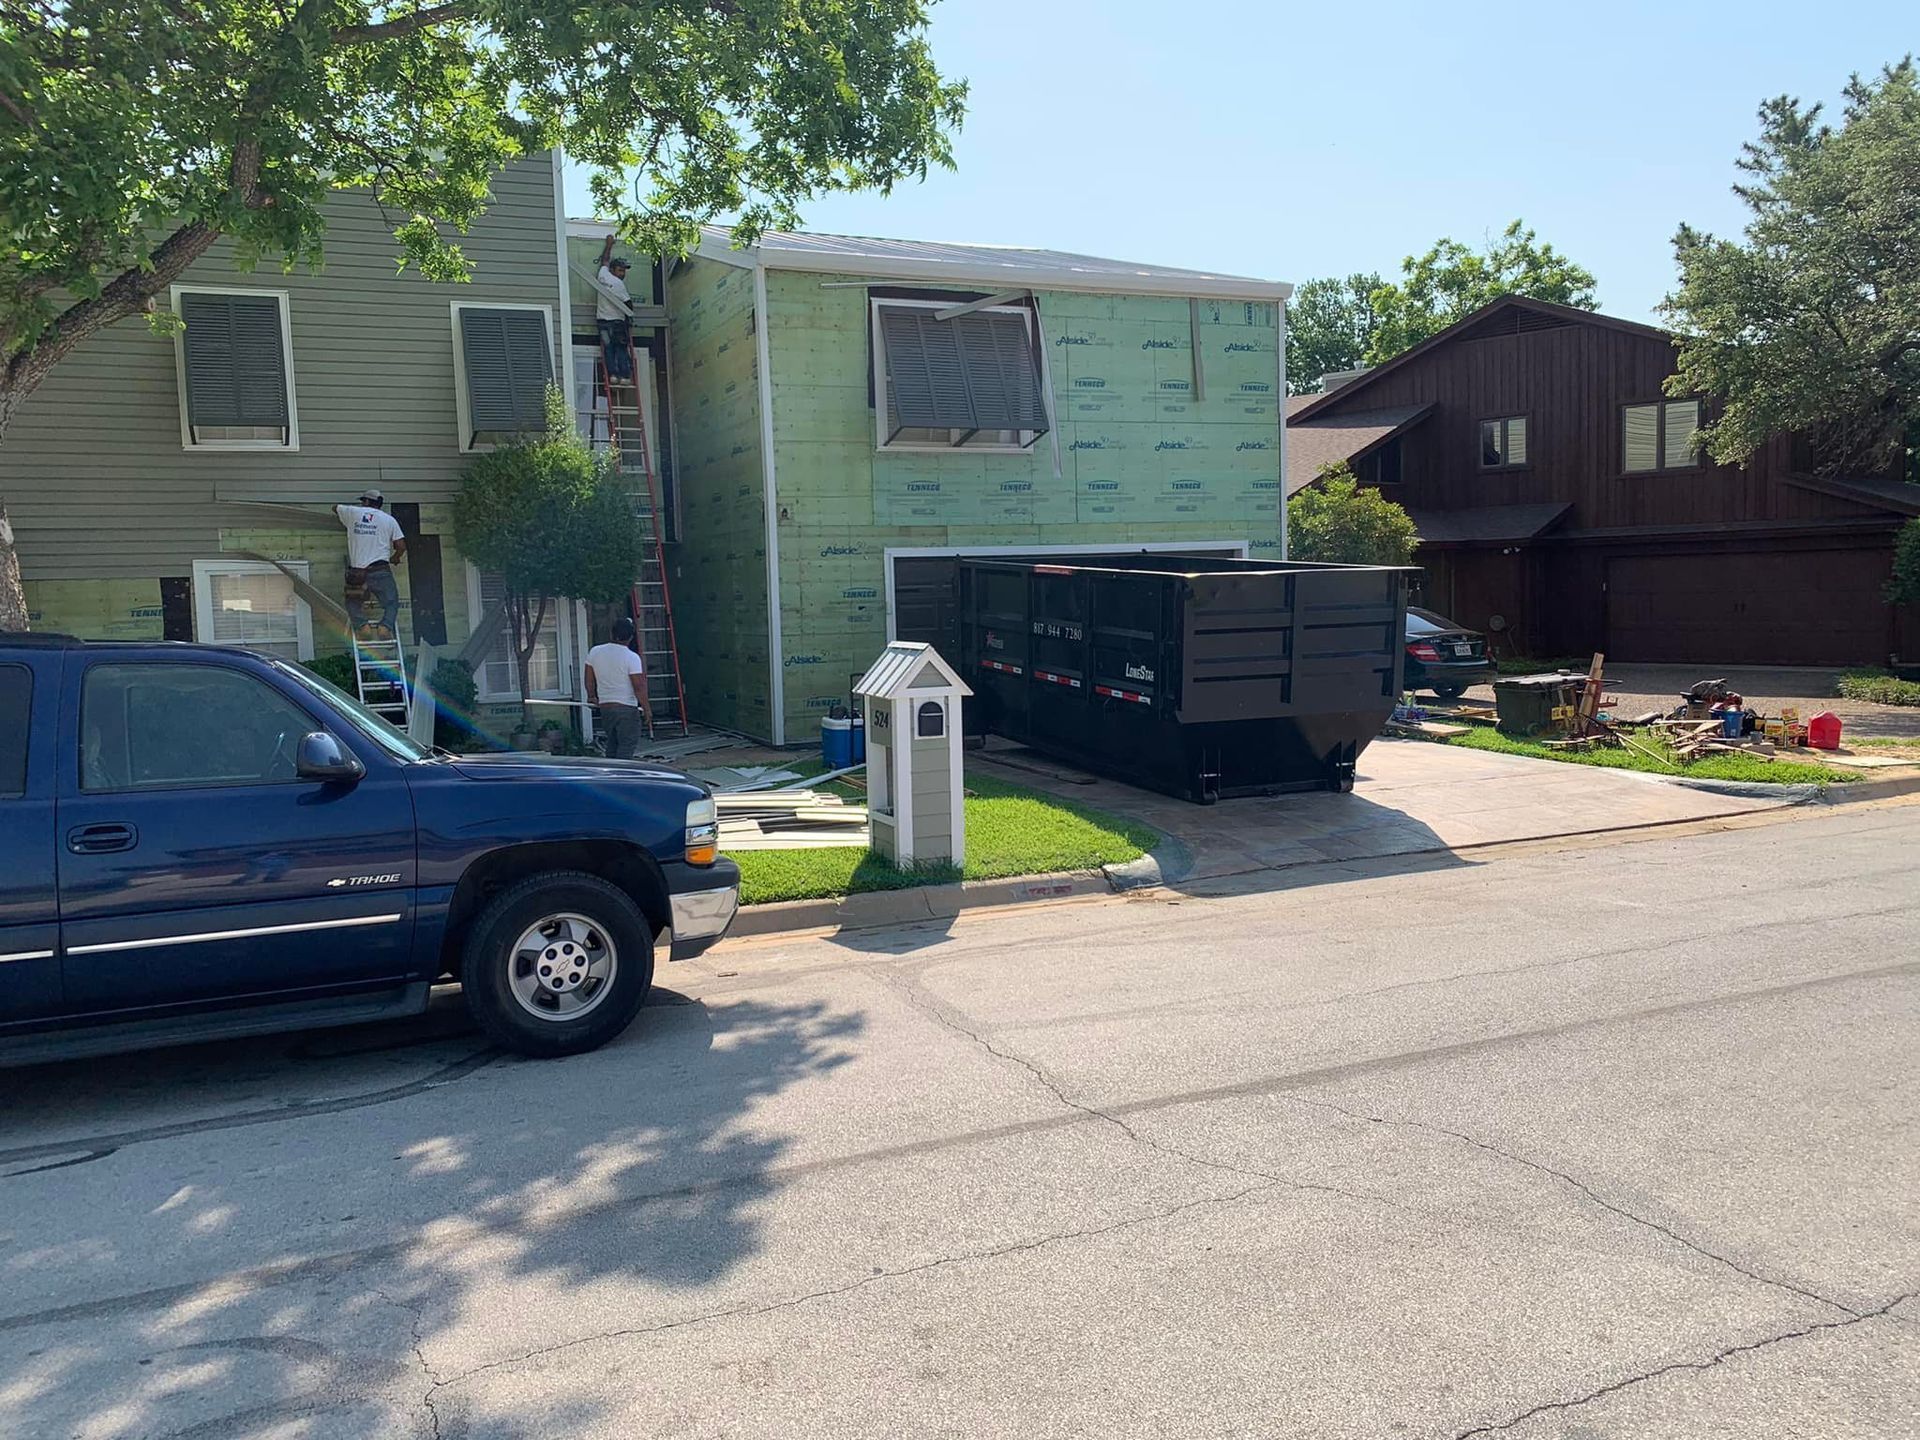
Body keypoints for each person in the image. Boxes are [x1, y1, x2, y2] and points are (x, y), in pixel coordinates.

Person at [334, 489, 406, 640]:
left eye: (363, 501)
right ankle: (385, 627)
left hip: (357, 573)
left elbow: (335, 507)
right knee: (391, 602)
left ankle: (362, 626)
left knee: (352, 602)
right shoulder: (389, 520)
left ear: (366, 502)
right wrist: (395, 557)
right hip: (380, 570)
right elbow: (401, 545)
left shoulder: (352, 513)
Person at [585, 616, 648, 758]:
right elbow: (638, 687)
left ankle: (610, 774)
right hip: (626, 708)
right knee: (626, 747)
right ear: (631, 637)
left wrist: (591, 696)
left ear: (611, 634)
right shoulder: (632, 657)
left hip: (606, 708)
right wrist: (647, 709)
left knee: (612, 746)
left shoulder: (595, 652)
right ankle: (621, 777)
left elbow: (589, 679)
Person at [596, 235, 634, 381]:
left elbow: (604, 259)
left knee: (609, 349)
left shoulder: (603, 274)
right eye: (620, 270)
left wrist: (609, 244)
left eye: (623, 271)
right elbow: (628, 304)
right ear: (613, 270)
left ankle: (612, 375)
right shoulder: (619, 285)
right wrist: (630, 318)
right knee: (621, 349)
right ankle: (624, 376)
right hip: (617, 323)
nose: (622, 274)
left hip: (602, 322)